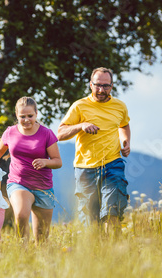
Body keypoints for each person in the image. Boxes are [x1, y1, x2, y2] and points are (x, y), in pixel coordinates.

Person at [57, 67, 131, 234]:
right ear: (90, 85)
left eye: (106, 86)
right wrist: (81, 125)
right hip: (85, 168)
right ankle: (95, 254)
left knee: (112, 211)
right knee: (89, 220)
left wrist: (126, 141)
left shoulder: (120, 106)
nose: (101, 90)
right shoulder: (79, 106)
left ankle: (113, 250)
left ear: (112, 86)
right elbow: (60, 134)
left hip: (112, 163)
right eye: (97, 85)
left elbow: (124, 125)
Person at [0, 97, 62, 244]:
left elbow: (58, 162)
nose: (26, 120)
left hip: (43, 187)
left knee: (41, 240)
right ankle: (22, 251)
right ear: (16, 115)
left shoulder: (46, 133)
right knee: (21, 214)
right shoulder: (10, 132)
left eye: (30, 116)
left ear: (36, 114)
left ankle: (37, 262)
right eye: (22, 116)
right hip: (19, 183)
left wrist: (45, 162)